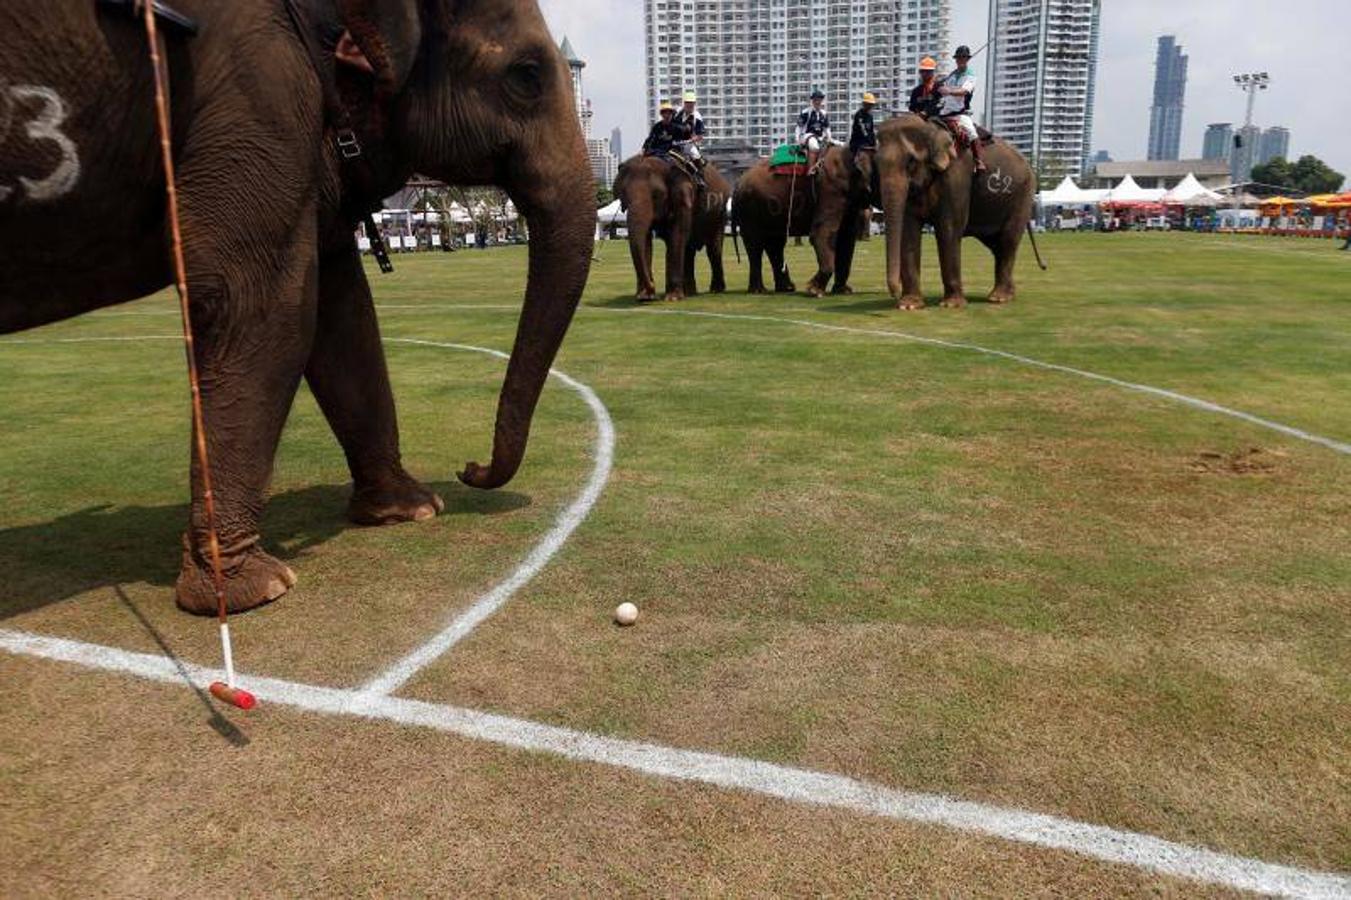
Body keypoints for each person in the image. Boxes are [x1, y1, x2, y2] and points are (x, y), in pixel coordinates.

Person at [936, 45, 986, 172]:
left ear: (967, 59)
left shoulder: (971, 76)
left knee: (972, 132)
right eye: (958, 57)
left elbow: (964, 91)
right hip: (944, 112)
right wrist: (939, 85)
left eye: (963, 57)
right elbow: (941, 88)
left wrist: (949, 91)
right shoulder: (951, 76)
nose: (960, 60)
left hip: (960, 114)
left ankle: (978, 161)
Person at [796, 90, 831, 173]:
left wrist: (829, 138)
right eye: (815, 100)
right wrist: (798, 140)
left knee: (837, 145)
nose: (817, 102)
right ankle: (811, 169)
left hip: (820, 137)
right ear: (812, 101)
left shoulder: (824, 114)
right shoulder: (806, 112)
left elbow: (827, 128)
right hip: (808, 136)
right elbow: (798, 127)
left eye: (819, 100)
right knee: (814, 146)